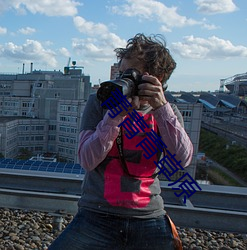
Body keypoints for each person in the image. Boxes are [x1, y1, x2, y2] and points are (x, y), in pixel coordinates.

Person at [48, 33, 193, 250]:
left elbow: (182, 161)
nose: (124, 79)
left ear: (157, 78)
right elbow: (87, 160)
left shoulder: (168, 114)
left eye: (131, 74)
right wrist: (114, 116)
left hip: (149, 215)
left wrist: (162, 109)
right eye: (122, 72)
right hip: (96, 213)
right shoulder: (100, 104)